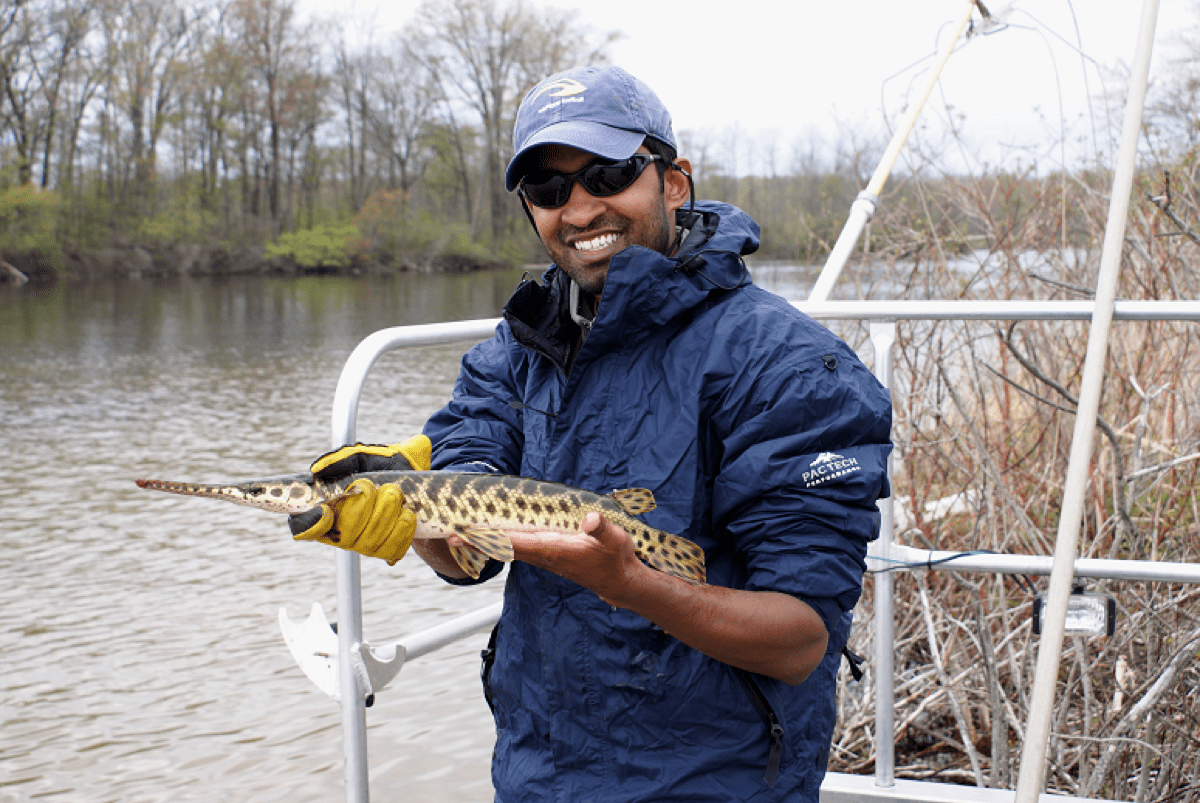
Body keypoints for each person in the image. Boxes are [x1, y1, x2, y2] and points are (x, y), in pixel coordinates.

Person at [290, 65, 892, 803]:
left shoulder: (792, 367)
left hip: (713, 784)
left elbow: (800, 640)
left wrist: (634, 585)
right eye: (547, 188)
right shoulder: (516, 347)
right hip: (536, 775)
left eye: (606, 172)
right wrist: (419, 519)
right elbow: (467, 546)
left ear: (672, 182)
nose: (577, 208)